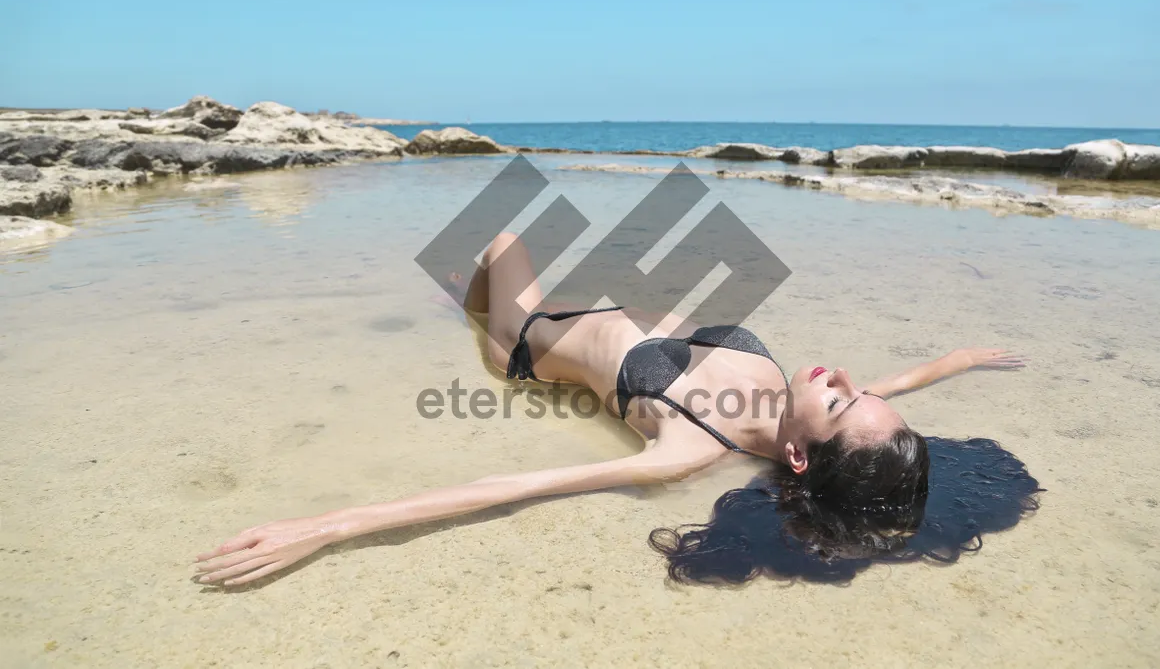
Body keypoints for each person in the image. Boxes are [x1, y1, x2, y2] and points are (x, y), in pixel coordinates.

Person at [196, 232, 1039, 587]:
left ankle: (475, 309)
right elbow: (907, 383)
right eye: (855, 392)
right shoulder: (810, 412)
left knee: (497, 250)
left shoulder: (686, 451)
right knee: (497, 277)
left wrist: (328, 526)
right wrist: (963, 359)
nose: (845, 377)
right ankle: (466, 298)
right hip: (604, 318)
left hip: (525, 347)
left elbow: (509, 485)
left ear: (799, 457)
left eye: (840, 399)